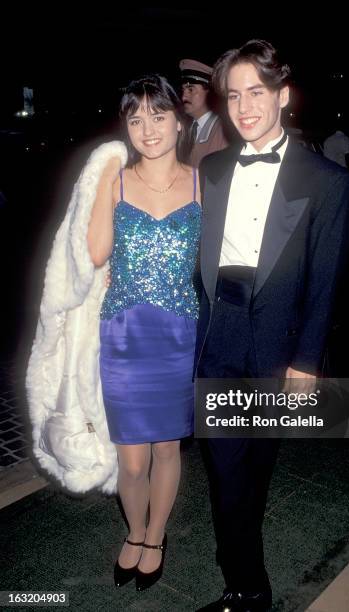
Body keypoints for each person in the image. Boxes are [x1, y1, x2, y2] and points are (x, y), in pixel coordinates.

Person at [194, 40, 349, 611]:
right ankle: (248, 588)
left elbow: (327, 281)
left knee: (252, 470)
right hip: (218, 337)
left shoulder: (326, 181)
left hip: (278, 345)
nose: (244, 107)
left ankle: (245, 584)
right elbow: (194, 257)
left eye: (256, 92)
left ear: (283, 95)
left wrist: (307, 361)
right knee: (226, 470)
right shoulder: (210, 169)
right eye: (234, 95)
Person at [27, 74, 201, 592]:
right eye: (135, 117)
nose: (147, 128)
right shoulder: (117, 179)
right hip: (123, 335)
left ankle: (156, 535)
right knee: (131, 457)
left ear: (180, 120)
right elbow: (97, 254)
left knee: (167, 449)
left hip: (180, 335)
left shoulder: (204, 182)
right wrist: (103, 181)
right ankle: (134, 529)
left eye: (158, 114)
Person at [180, 58, 229, 166]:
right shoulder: (182, 129)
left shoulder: (224, 131)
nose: (183, 96)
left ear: (209, 92)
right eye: (183, 90)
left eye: (191, 89)